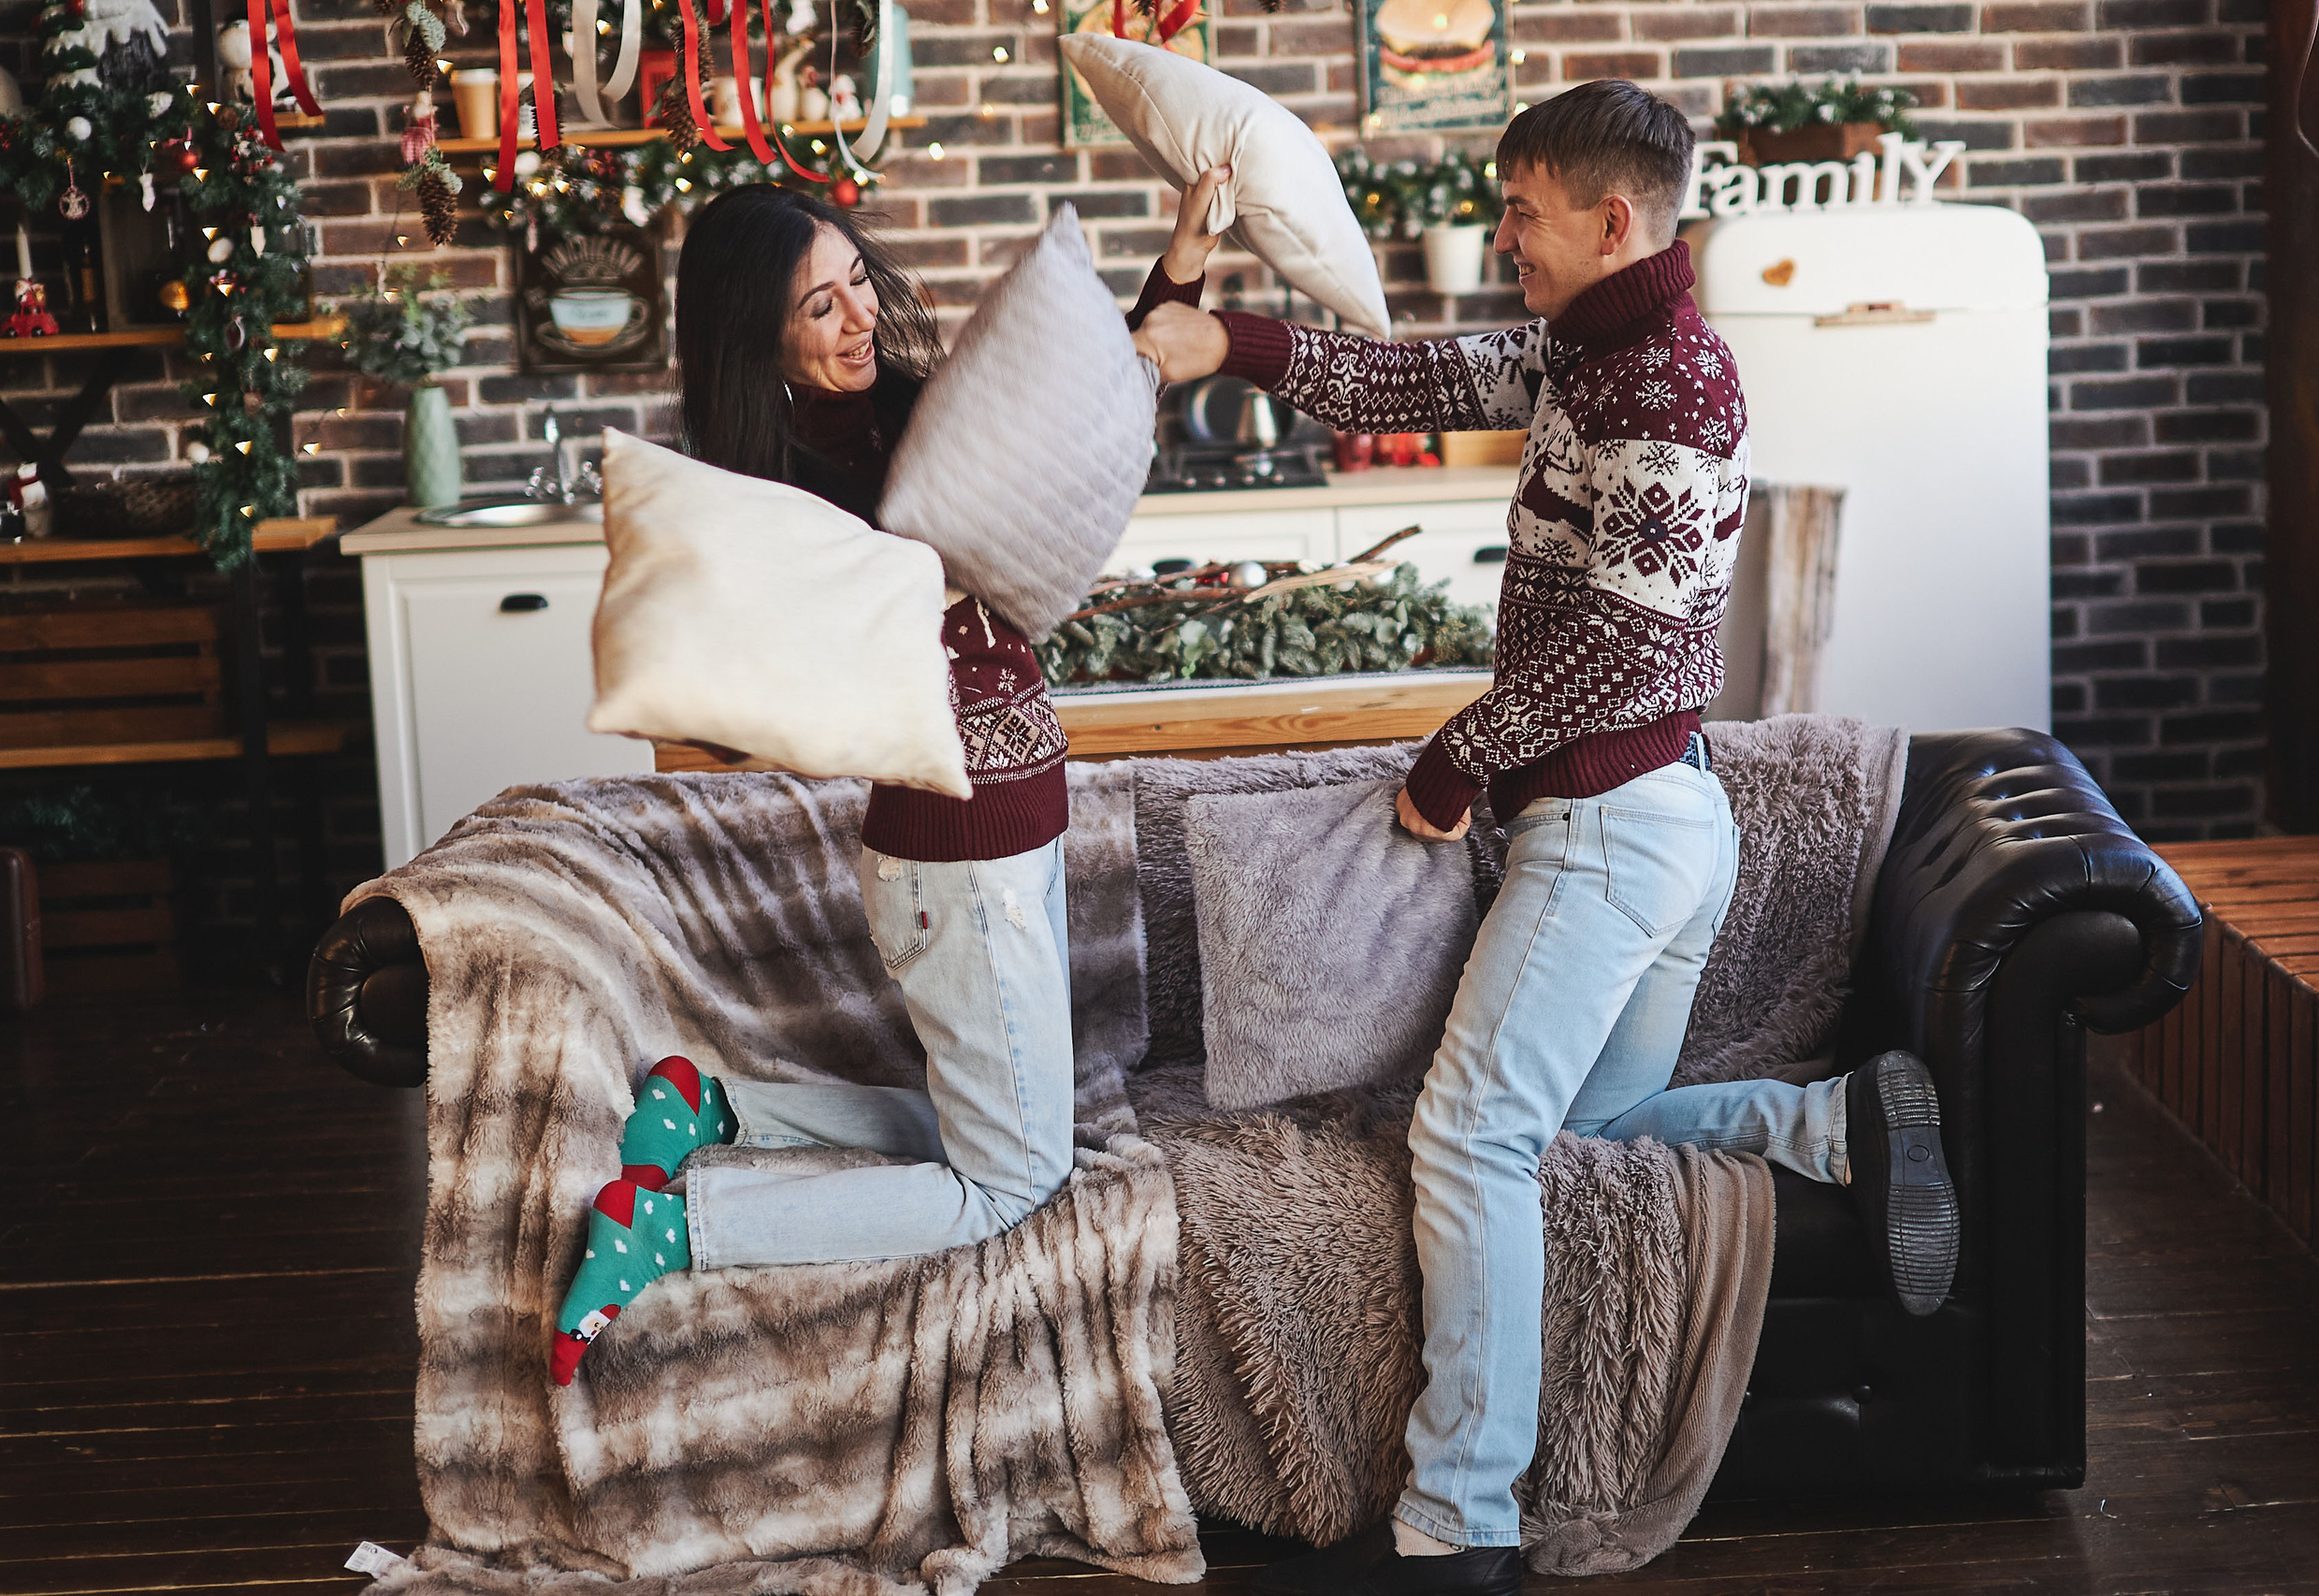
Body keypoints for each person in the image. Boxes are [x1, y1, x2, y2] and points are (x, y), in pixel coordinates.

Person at [1132, 81, 1963, 1595]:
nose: (1500, 233)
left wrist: (1456, 762)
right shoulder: (1591, 354)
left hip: (1610, 824)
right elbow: (1403, 380)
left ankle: (1461, 1515)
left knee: (1468, 1137)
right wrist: (1222, 340)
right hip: (1659, 820)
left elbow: (1635, 652)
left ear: (1612, 220)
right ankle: (1832, 1127)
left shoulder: (1668, 383)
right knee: (1567, 1142)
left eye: (1520, 210)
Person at [550, 187, 1081, 1386]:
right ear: (758, 336)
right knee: (1011, 1181)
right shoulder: (781, 498)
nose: (857, 320)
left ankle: (709, 1108)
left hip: (1013, 833)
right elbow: (738, 709)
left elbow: (1074, 414)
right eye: (818, 304)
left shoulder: (909, 414)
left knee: (989, 1130)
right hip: (956, 859)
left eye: (857, 283)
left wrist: (1185, 265)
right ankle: (677, 1228)